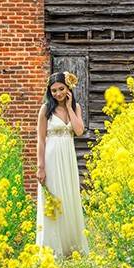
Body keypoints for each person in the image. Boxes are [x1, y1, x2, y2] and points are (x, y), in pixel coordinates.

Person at [35, 71, 89, 258]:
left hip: (68, 158)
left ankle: (70, 247)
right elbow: (41, 140)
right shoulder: (45, 110)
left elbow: (79, 131)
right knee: (54, 197)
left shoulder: (75, 107)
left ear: (68, 89)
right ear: (49, 92)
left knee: (69, 197)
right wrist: (40, 167)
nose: (57, 94)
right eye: (54, 91)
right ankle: (52, 248)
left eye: (61, 89)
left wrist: (69, 107)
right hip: (51, 158)